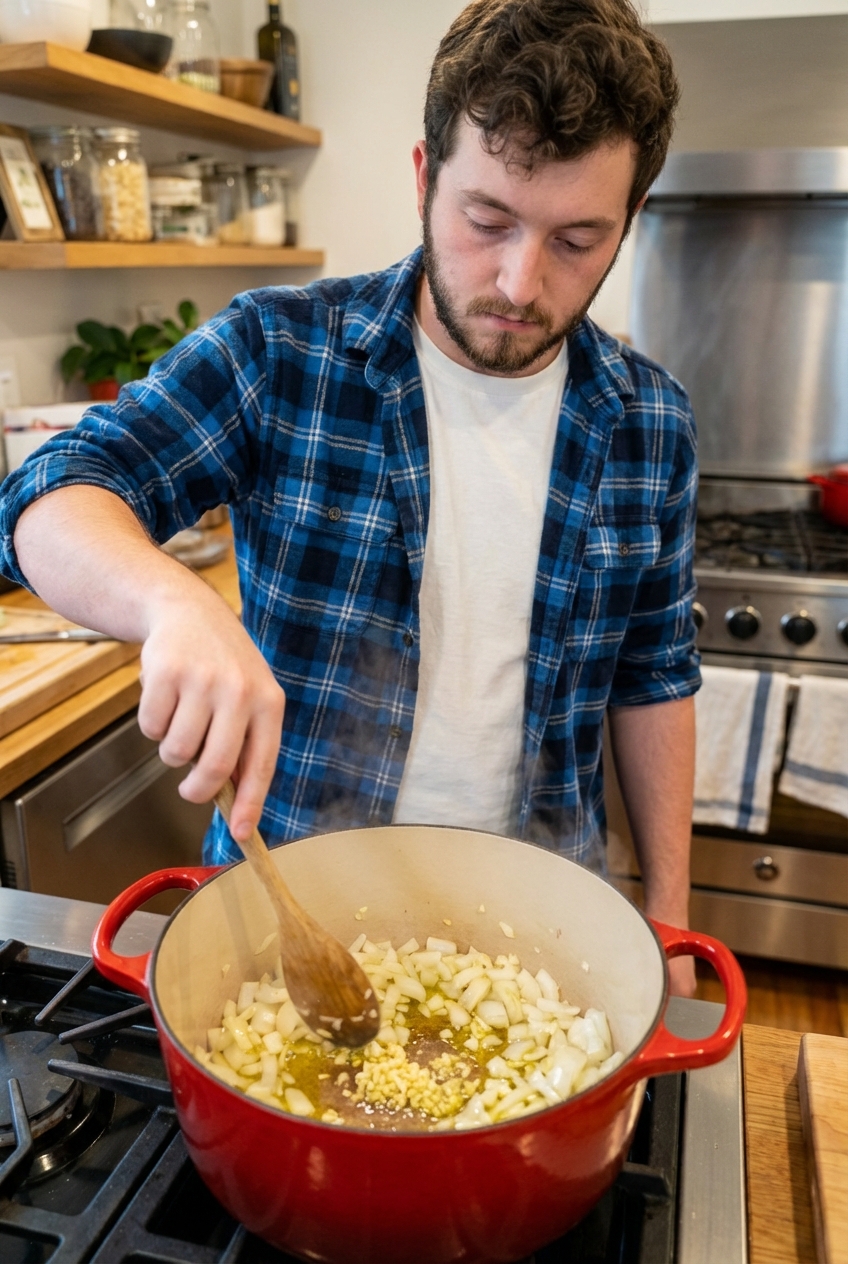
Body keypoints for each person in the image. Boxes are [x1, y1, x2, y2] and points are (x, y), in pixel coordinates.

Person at [0, 0, 699, 995]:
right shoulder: (280, 351)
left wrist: (668, 918)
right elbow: (47, 493)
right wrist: (171, 604)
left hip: (538, 931)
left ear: (630, 217)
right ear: (423, 178)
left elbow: (653, 674)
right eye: (486, 221)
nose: (518, 281)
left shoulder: (650, 421)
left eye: (577, 239)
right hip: (287, 919)